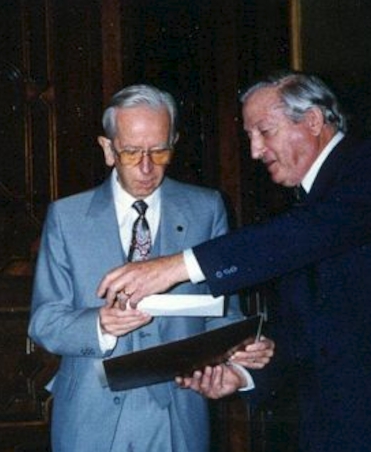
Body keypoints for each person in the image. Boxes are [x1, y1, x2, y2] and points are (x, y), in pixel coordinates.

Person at [97, 71, 371, 451]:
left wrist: (174, 267)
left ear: (314, 120)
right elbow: (314, 334)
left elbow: (312, 233)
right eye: (249, 136)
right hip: (344, 428)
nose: (254, 151)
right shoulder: (307, 208)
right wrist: (244, 374)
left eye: (264, 132)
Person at [28, 84, 274, 452]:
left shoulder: (206, 210)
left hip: (178, 412)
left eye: (159, 151)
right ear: (108, 149)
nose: (146, 167)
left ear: (174, 141)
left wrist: (238, 351)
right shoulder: (67, 217)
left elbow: (223, 312)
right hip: (89, 417)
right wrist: (100, 325)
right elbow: (44, 322)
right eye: (131, 152)